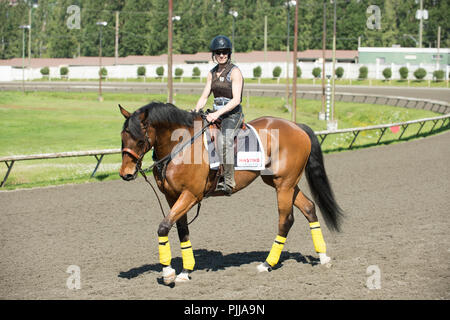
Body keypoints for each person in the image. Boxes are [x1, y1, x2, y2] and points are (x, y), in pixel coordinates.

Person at [194, 35, 244, 196]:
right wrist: (195, 111)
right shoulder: (211, 73)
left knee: (224, 139)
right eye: (218, 52)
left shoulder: (235, 72)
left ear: (229, 54)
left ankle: (228, 181)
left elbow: (236, 100)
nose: (221, 55)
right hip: (215, 113)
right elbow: (204, 97)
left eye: (224, 52)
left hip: (232, 115)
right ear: (214, 54)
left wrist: (217, 114)